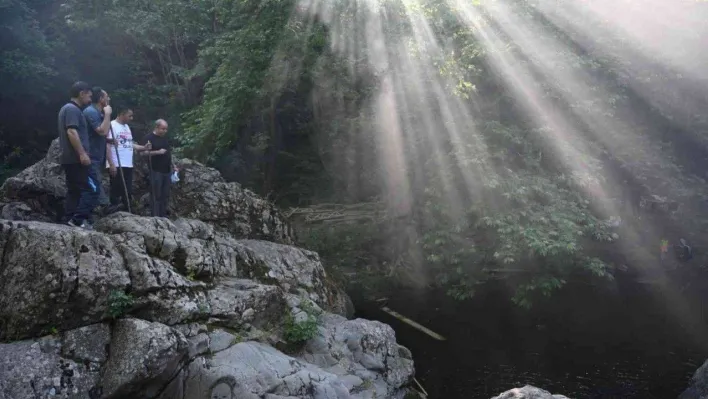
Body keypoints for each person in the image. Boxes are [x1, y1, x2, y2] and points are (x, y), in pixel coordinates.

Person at [58, 81, 94, 228]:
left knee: (74, 190)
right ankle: (78, 219)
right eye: (89, 96)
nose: (90, 100)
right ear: (82, 94)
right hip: (75, 158)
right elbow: (71, 131)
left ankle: (69, 219)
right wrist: (82, 154)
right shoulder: (72, 109)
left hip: (69, 158)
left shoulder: (66, 109)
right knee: (90, 189)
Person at [105, 109, 151, 212]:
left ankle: (127, 210)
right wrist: (111, 163)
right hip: (117, 162)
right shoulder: (112, 125)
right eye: (129, 116)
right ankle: (113, 210)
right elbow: (107, 145)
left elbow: (129, 143)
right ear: (122, 114)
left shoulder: (126, 127)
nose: (131, 118)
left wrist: (144, 147)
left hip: (127, 163)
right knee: (116, 188)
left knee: (128, 189)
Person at [82, 87, 113, 217]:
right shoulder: (90, 111)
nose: (109, 99)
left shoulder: (98, 113)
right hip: (90, 155)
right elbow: (102, 131)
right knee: (93, 186)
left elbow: (103, 134)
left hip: (97, 155)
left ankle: (92, 215)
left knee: (95, 184)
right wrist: (107, 114)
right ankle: (82, 217)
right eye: (107, 96)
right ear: (101, 99)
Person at [142, 119, 178, 217]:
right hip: (155, 170)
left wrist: (173, 165)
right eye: (163, 129)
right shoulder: (148, 138)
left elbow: (168, 153)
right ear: (157, 127)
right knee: (156, 194)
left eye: (166, 129)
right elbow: (143, 153)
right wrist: (157, 152)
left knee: (165, 194)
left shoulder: (164, 139)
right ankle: (155, 216)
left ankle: (163, 216)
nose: (165, 131)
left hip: (167, 170)